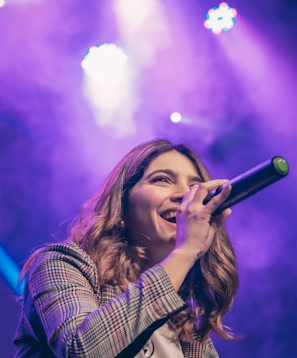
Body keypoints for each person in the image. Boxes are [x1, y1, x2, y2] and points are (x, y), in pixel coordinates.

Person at [14, 138, 239, 358]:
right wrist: (185, 253)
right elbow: (82, 351)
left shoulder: (183, 317)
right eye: (162, 179)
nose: (185, 195)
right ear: (122, 204)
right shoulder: (59, 264)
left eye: (194, 187)